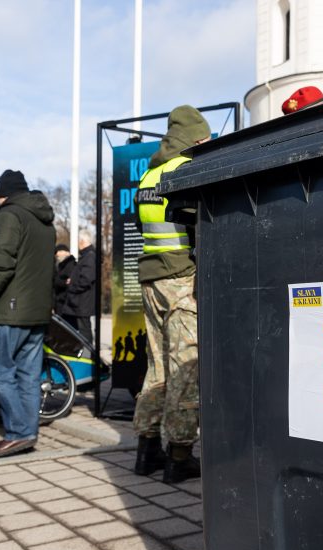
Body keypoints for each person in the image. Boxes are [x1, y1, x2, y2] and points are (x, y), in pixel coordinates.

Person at [132, 104, 210, 483]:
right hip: (182, 279)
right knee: (184, 367)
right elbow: (201, 225)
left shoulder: (149, 176)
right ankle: (179, 456)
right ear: (196, 138)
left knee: (157, 366)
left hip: (150, 280)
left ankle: (146, 451)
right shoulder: (186, 170)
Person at [0, 169, 56, 458]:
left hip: (9, 310)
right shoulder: (45, 222)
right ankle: (26, 433)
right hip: (37, 312)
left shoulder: (9, 216)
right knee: (28, 375)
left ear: (2, 196)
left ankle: (20, 432)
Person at [60, 230, 96, 343]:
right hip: (79, 302)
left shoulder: (89, 257)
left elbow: (86, 280)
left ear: (82, 241)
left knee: (84, 331)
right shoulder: (87, 256)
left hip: (81, 303)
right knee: (72, 329)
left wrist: (71, 285)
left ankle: (87, 356)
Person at [54, 243, 75, 315]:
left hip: (64, 302)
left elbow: (69, 282)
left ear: (65, 252)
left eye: (58, 252)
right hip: (61, 301)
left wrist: (56, 281)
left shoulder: (70, 265)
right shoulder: (61, 265)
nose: (56, 255)